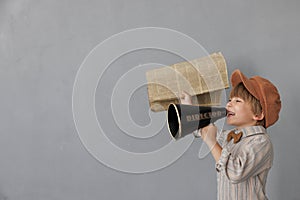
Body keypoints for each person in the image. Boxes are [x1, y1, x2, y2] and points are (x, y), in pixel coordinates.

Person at [180, 69, 281, 200]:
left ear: (258, 114)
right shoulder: (231, 137)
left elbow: (235, 172)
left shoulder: (261, 142)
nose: (228, 104)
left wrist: (212, 142)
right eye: (230, 99)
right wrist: (190, 108)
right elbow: (202, 129)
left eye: (237, 101)